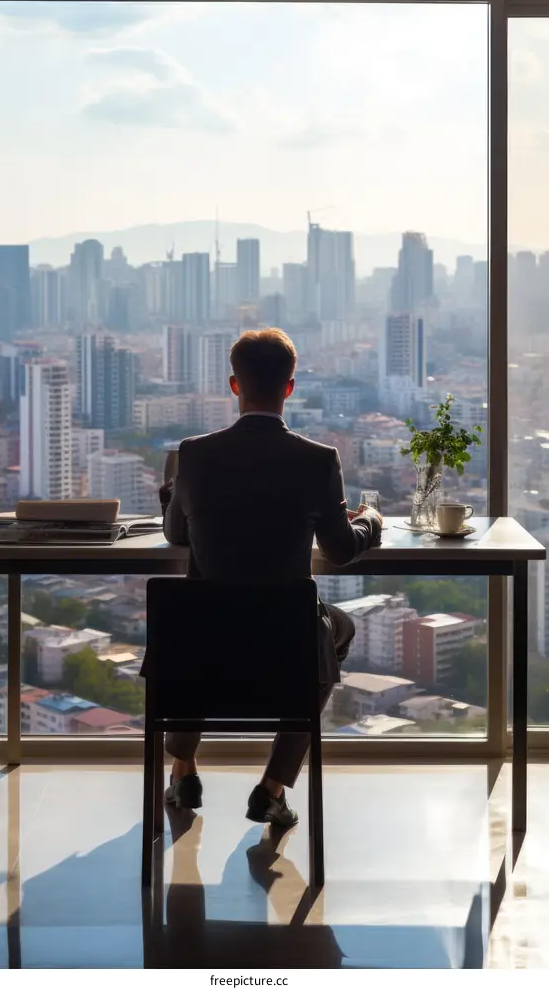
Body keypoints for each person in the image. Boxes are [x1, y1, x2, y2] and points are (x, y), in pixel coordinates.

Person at [150, 328, 382, 828]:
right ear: (290, 387)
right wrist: (371, 522)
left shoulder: (194, 454)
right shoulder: (319, 460)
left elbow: (176, 536)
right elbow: (340, 550)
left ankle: (184, 767)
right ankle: (273, 786)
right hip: (284, 643)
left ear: (235, 385)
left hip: (206, 642)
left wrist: (174, 499)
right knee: (336, 632)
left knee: (190, 628)